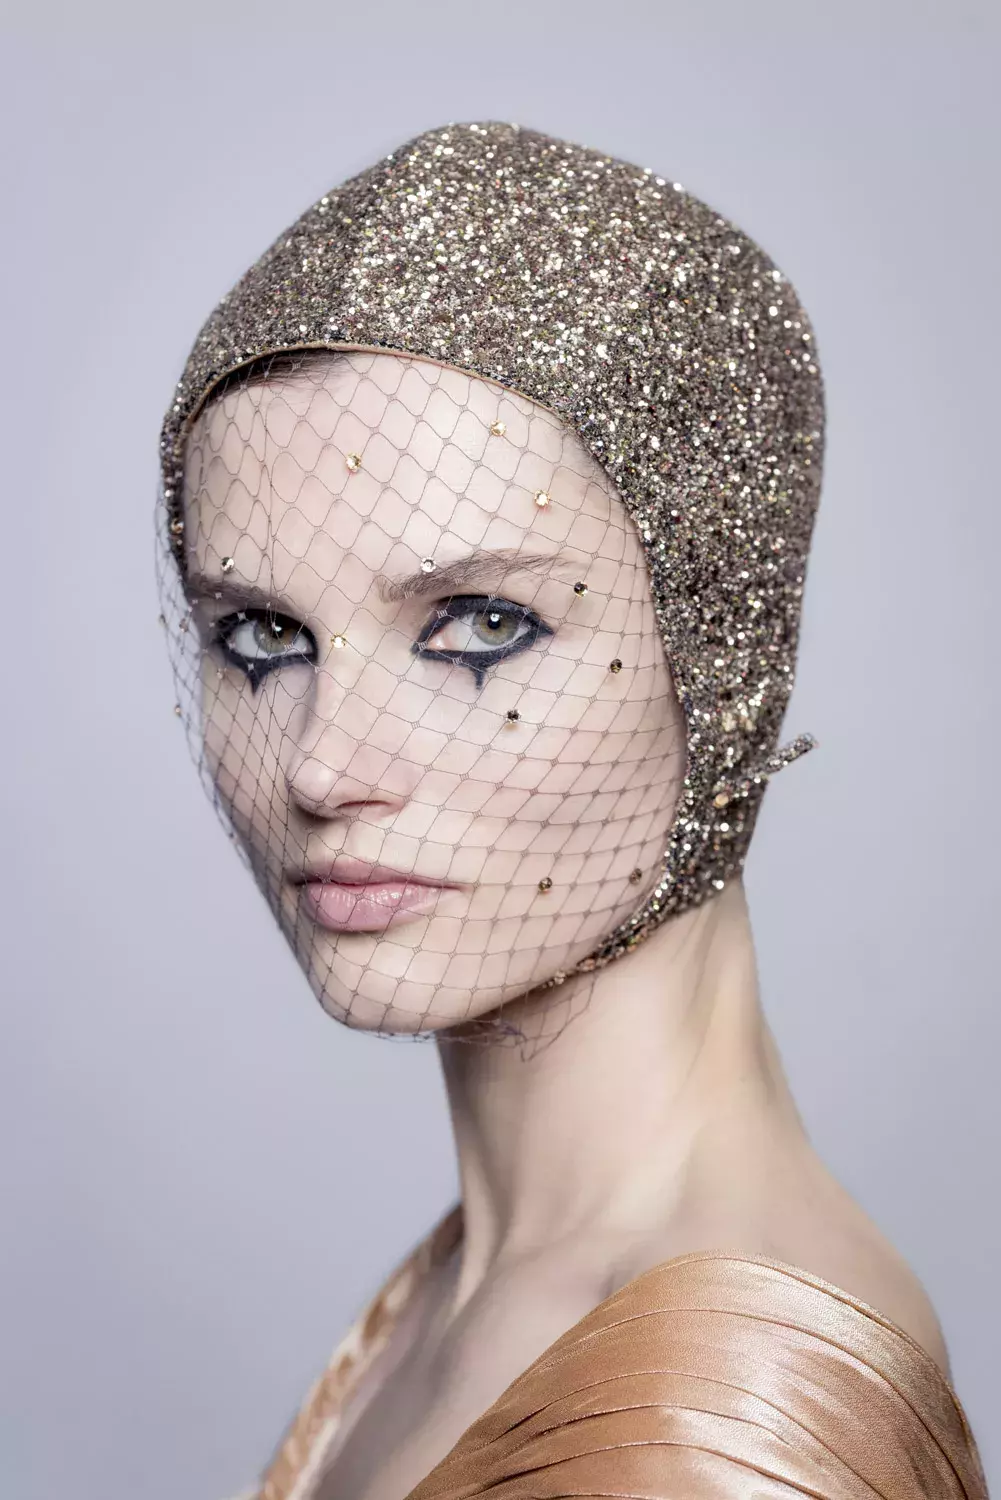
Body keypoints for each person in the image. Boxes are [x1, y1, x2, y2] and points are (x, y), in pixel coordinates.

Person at [158, 123, 988, 1499]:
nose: (321, 765)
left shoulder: (725, 1429)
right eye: (260, 635)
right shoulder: (464, 1295)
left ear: (718, 658)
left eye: (480, 624)